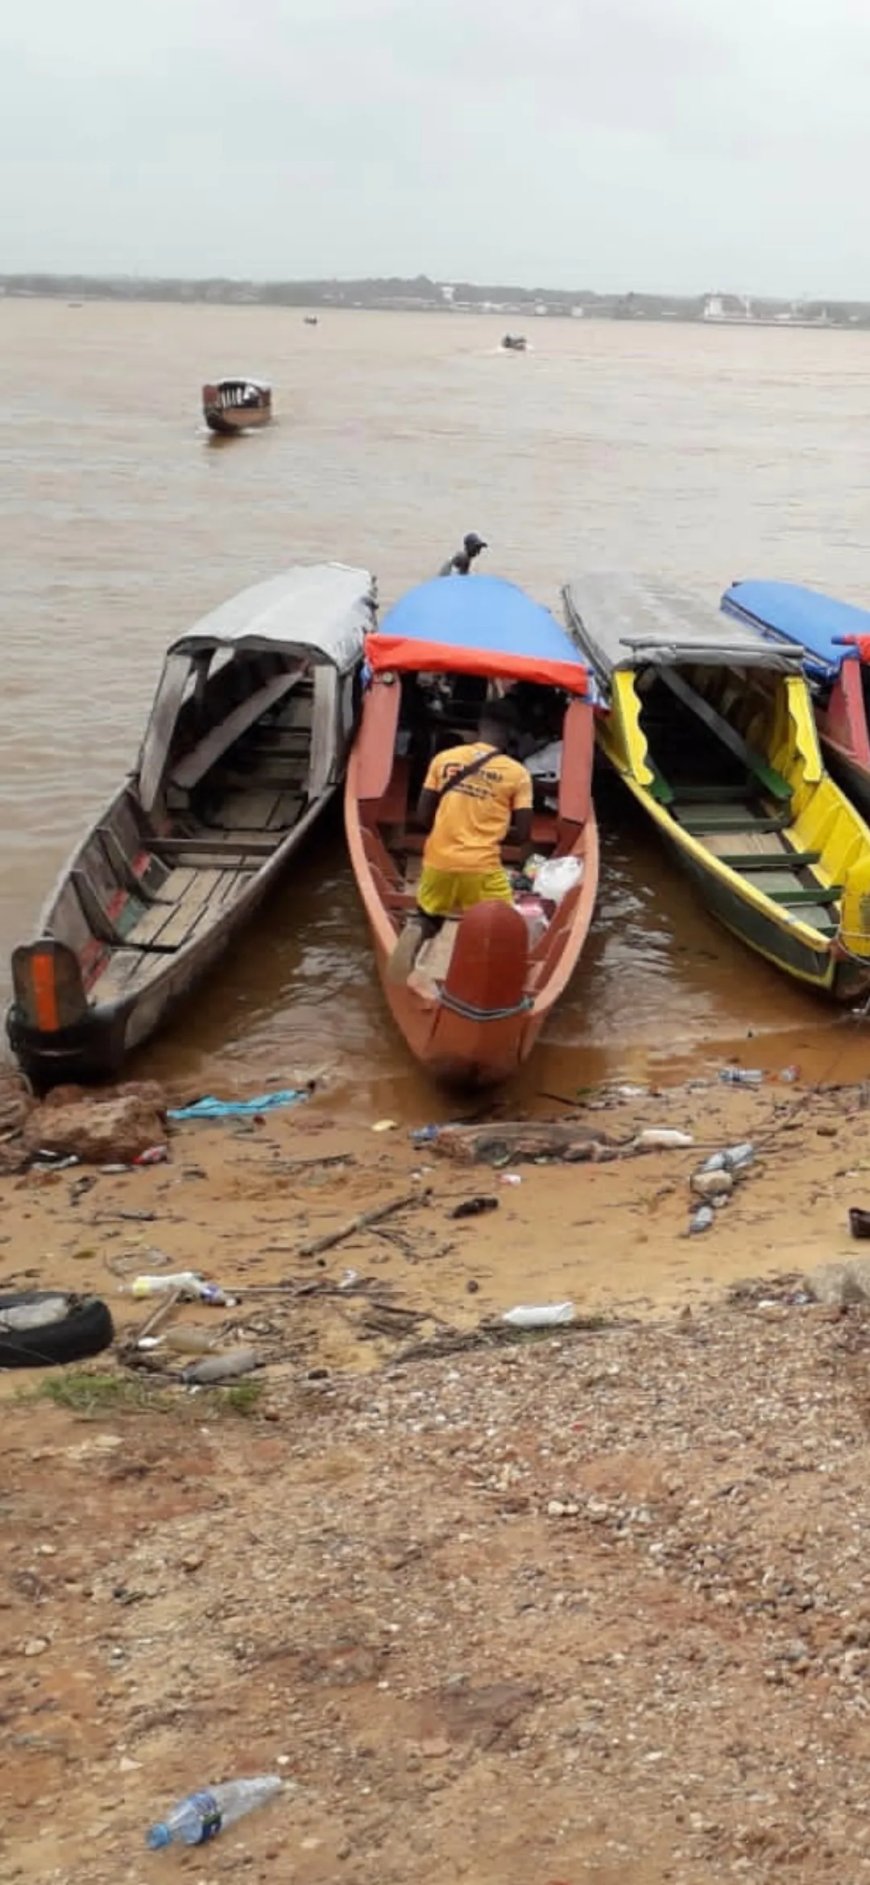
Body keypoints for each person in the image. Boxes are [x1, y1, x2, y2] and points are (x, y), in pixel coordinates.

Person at [387, 698, 533, 982]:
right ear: (510, 733)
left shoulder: (444, 759)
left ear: (480, 726)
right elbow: (524, 833)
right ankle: (481, 980)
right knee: (502, 925)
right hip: (482, 866)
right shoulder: (517, 774)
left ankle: (418, 929)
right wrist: (493, 831)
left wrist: (450, 829)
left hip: (438, 860)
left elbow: (422, 815)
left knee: (429, 915)